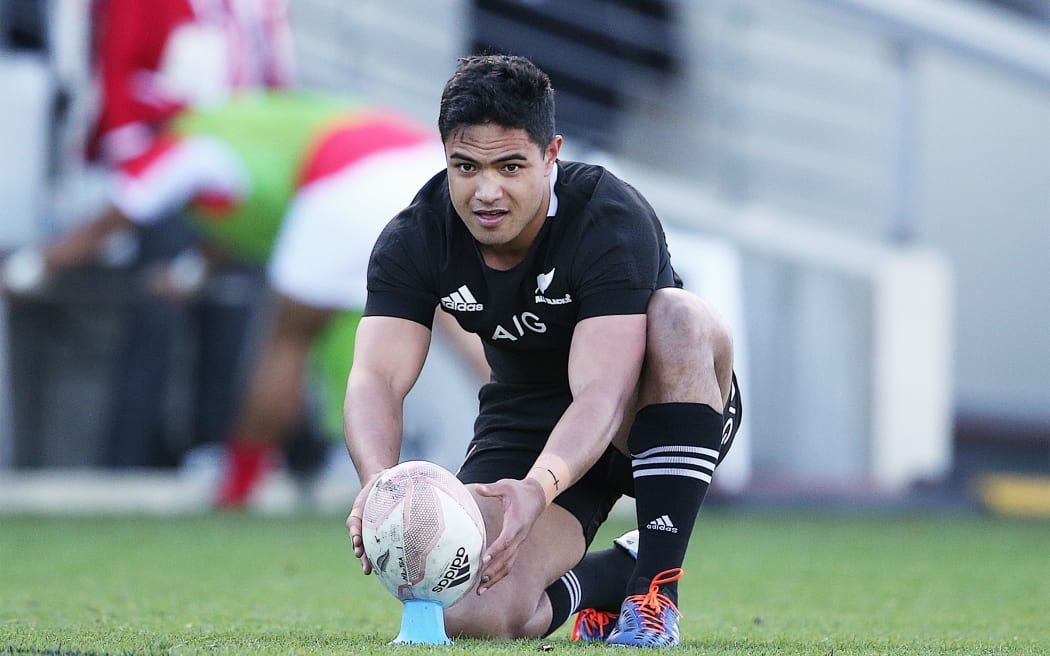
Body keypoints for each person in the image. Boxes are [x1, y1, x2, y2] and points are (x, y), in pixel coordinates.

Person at [344, 54, 742, 646]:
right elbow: (376, 376)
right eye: (466, 166)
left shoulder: (608, 215)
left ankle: (655, 591)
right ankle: (607, 578)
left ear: (551, 154)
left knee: (679, 317)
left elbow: (603, 391)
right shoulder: (415, 237)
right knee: (471, 613)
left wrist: (540, 485)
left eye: (511, 166)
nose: (487, 191)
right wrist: (380, 483)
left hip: (645, 407)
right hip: (525, 418)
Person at [0, 90, 459, 508]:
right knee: (461, 313)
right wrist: (192, 269)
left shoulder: (186, 140)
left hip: (346, 179)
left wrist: (33, 268)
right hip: (426, 166)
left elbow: (117, 216)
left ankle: (239, 485)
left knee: (288, 339)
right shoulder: (247, 122)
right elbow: (249, 209)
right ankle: (510, 452)